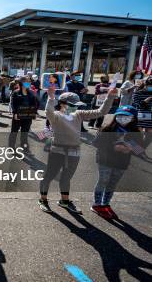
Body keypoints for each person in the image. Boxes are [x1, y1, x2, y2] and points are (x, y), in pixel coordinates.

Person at [39, 85, 117, 214]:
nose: (75, 107)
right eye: (71, 104)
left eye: (76, 105)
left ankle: (64, 201)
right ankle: (43, 200)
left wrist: (110, 97)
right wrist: (51, 97)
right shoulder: (56, 116)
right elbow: (48, 112)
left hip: (74, 151)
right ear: (62, 104)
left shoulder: (79, 114)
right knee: (49, 176)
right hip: (57, 150)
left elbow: (101, 112)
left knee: (66, 177)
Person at [91, 105, 148, 219]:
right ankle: (97, 204)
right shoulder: (107, 128)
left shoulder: (135, 132)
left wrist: (130, 147)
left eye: (127, 116)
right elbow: (96, 143)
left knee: (113, 183)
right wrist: (114, 148)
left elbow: (140, 150)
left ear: (133, 118)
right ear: (115, 116)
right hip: (105, 160)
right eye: (120, 115)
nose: (123, 118)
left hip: (121, 162)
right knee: (103, 180)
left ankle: (105, 203)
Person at [9, 76, 38, 152]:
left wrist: (34, 113)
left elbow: (35, 104)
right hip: (18, 115)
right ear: (22, 83)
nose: (29, 83)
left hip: (28, 116)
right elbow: (13, 103)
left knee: (25, 132)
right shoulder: (16, 92)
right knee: (14, 132)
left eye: (29, 81)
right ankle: (11, 147)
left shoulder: (31, 93)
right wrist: (15, 113)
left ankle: (24, 147)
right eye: (27, 81)